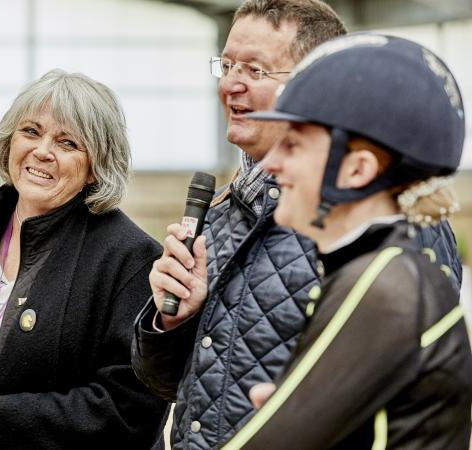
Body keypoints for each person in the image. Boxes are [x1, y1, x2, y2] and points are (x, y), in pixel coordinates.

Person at [130, 1, 462, 448]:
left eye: (254, 68)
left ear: (357, 169)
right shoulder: (226, 209)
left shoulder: (389, 275)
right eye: (226, 64)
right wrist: (173, 323)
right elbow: (186, 386)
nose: (230, 81)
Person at [0, 69, 168, 450]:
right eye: (31, 132)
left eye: (68, 142)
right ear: (9, 140)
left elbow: (128, 411)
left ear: (95, 167)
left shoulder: (129, 257)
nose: (43, 151)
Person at [221, 33, 472, 449]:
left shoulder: (382, 286)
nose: (271, 163)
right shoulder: (388, 268)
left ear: (356, 171)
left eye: (294, 145)